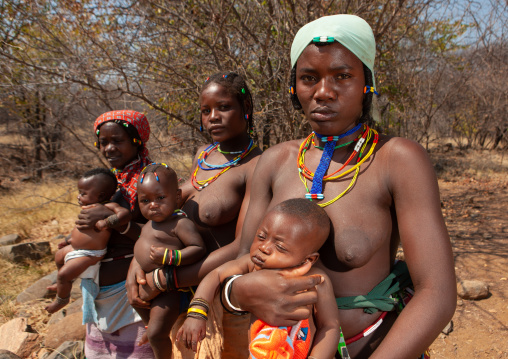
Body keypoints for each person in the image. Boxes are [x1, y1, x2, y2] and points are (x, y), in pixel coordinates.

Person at [225, 14, 456, 359]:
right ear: (294, 87)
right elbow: (242, 260)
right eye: (308, 78)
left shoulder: (397, 160)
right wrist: (235, 295)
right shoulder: (275, 162)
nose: (323, 92)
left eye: (343, 76)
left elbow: (436, 292)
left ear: (368, 83)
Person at [127, 72, 263, 358]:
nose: (213, 117)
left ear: (246, 107)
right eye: (205, 110)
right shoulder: (203, 155)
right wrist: (137, 265)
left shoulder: (259, 166)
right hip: (180, 295)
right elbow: (165, 215)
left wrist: (167, 279)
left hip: (222, 300)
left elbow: (243, 247)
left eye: (223, 107)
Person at [176, 199, 340, 359]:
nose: (264, 248)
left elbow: (330, 326)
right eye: (261, 236)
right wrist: (197, 314)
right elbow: (216, 275)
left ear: (308, 260)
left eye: (280, 247)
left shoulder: (316, 280)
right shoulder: (250, 265)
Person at [77, 110, 155, 358]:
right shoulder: (107, 181)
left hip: (132, 291)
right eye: (103, 142)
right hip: (100, 289)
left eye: (117, 141)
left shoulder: (152, 181)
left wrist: (117, 224)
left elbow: (161, 237)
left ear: (137, 140)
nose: (109, 148)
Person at [133, 163, 207, 359]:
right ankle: (149, 325)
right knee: (141, 309)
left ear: (176, 197)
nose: (153, 205)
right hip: (149, 287)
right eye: (145, 200)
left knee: (157, 334)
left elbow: (198, 249)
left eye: (160, 198)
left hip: (170, 290)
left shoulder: (180, 223)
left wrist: (168, 257)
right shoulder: (150, 223)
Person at [45, 168, 131, 314]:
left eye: (83, 193)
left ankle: (62, 299)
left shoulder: (107, 207)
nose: (78, 196)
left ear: (101, 195)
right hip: (77, 248)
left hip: (91, 253)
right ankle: (63, 284)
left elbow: (125, 214)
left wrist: (108, 221)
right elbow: (80, 230)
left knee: (63, 274)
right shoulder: (88, 207)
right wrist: (68, 240)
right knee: (59, 256)